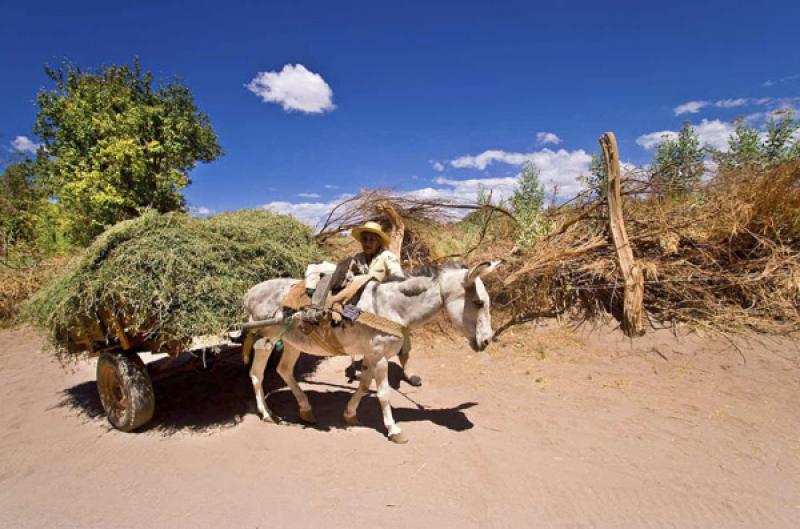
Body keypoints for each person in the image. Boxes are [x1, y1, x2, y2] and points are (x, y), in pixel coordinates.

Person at [303, 221, 404, 321]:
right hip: (357, 296)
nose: (367, 243)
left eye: (372, 240)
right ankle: (317, 307)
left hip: (377, 298)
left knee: (363, 278)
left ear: (378, 242)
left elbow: (397, 275)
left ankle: (335, 305)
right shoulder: (359, 257)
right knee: (332, 273)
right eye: (365, 239)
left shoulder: (387, 256)